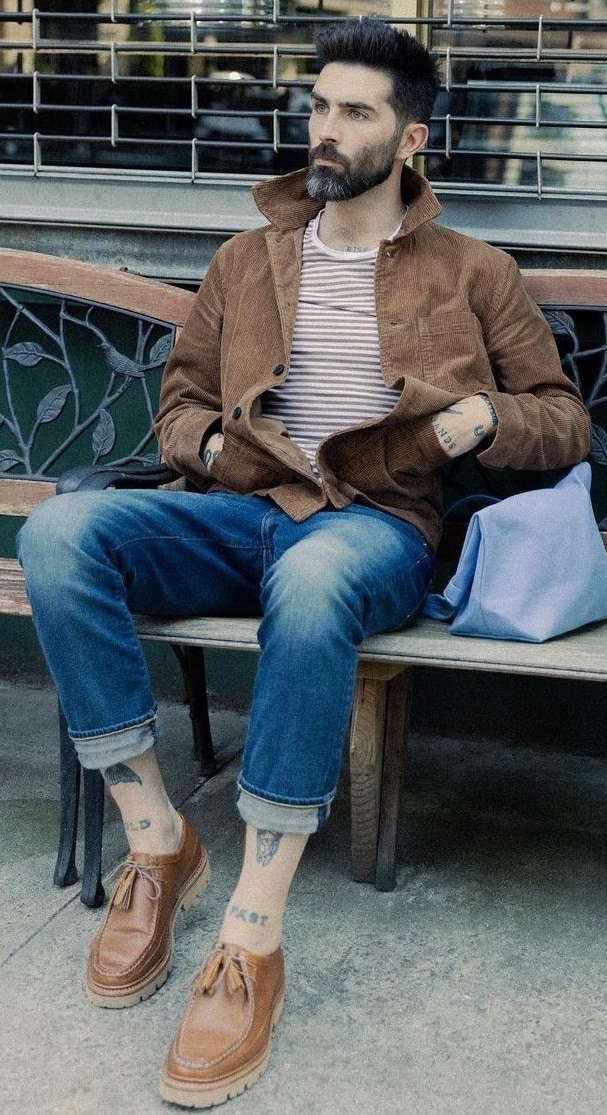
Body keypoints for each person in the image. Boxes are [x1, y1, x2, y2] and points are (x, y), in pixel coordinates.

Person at [17, 16, 590, 1110]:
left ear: (413, 138)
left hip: (376, 529)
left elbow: (559, 421)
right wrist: (216, 446)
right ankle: (157, 842)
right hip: (244, 512)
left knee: (319, 577)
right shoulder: (248, 258)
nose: (324, 128)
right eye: (319, 103)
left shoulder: (475, 270)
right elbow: (178, 404)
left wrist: (479, 420)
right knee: (58, 533)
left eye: (354, 111)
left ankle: (253, 929)